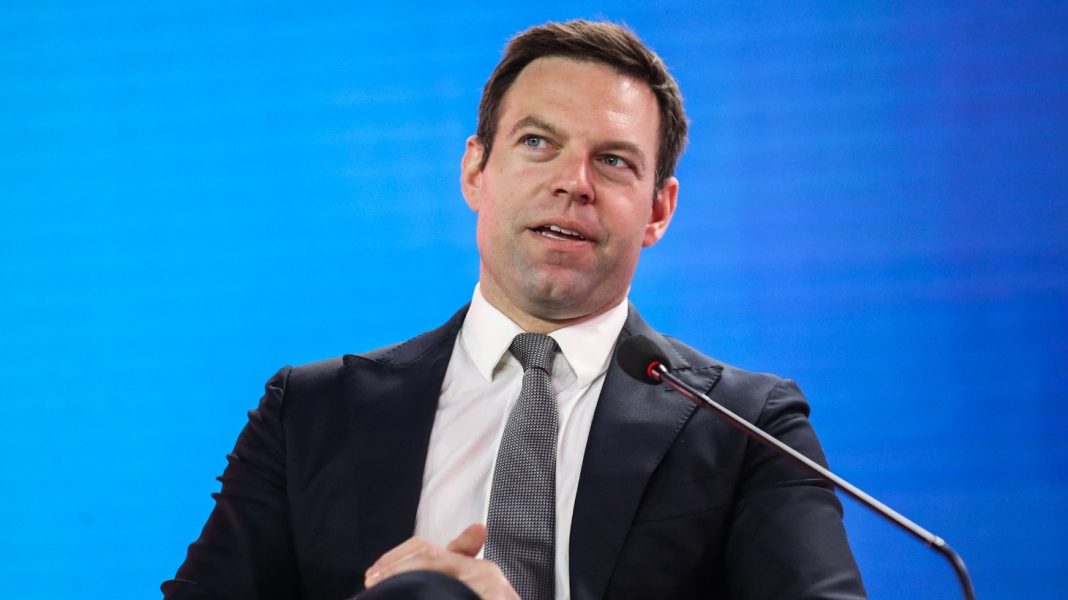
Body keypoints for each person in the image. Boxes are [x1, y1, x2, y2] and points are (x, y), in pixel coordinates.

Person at [163, 19, 867, 600]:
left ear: (659, 209)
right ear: (476, 170)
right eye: (538, 142)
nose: (573, 182)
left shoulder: (747, 427)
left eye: (614, 161)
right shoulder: (310, 414)